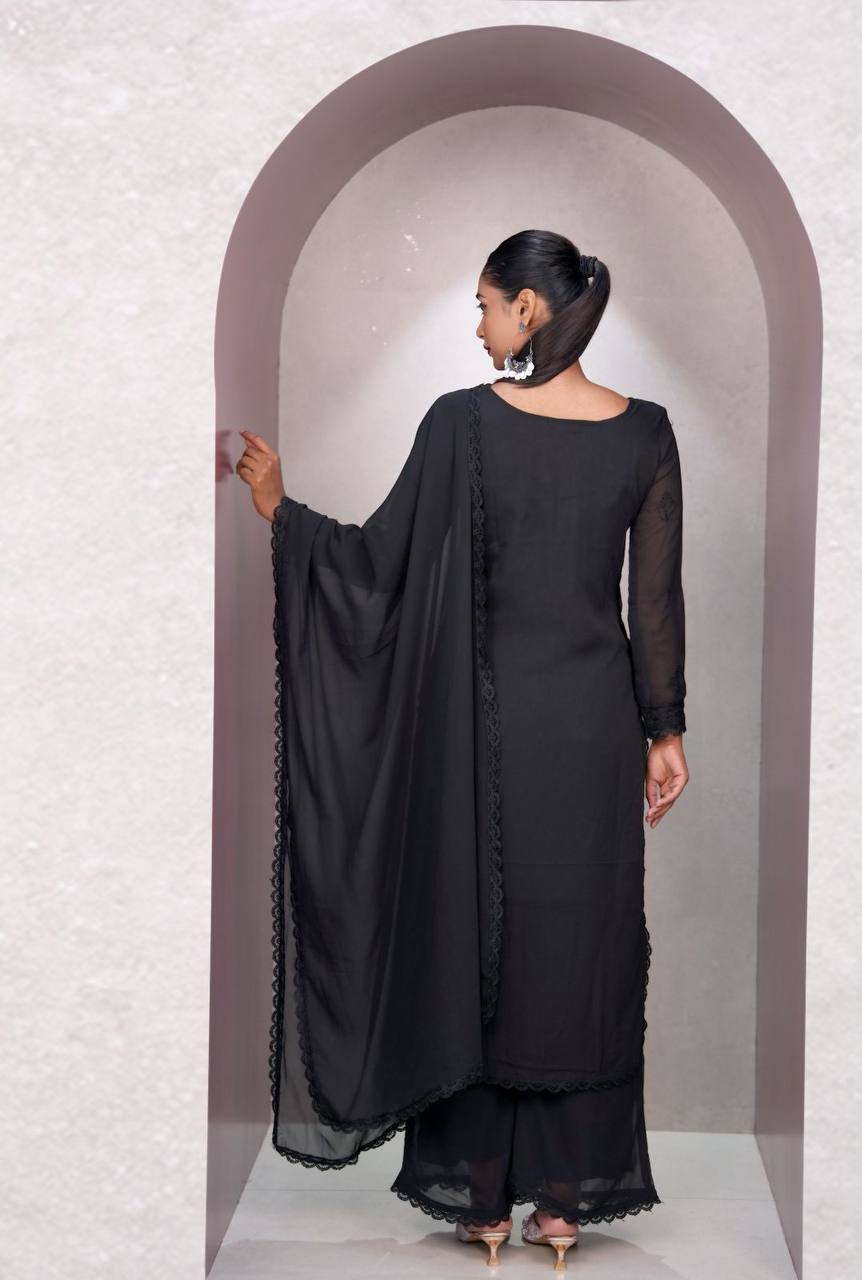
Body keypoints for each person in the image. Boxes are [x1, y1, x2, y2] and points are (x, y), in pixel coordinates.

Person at [236, 229, 690, 1271]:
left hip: (483, 730)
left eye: (485, 305)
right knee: (580, 942)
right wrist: (663, 730)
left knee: (478, 937)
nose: (478, 326)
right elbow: (655, 601)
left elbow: (379, 566)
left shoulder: (462, 423)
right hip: (593, 727)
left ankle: (481, 1196)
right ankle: (565, 1202)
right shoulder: (648, 432)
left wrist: (283, 515)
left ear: (527, 308)